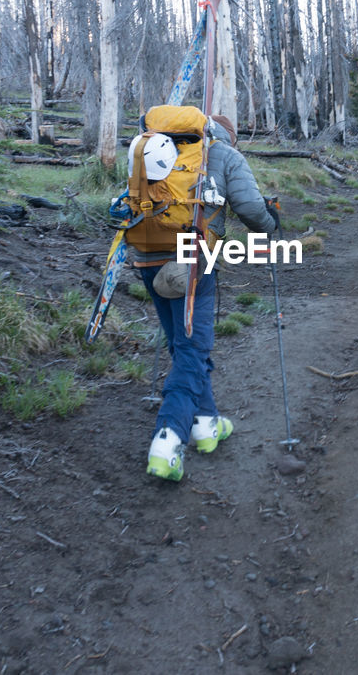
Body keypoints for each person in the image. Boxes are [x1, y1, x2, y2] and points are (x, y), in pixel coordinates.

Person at [126, 111, 278, 482]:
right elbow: (250, 209)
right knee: (192, 351)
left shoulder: (152, 148)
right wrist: (272, 222)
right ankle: (168, 438)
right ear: (226, 136)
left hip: (146, 255)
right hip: (194, 261)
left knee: (184, 346)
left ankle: (206, 425)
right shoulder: (223, 155)